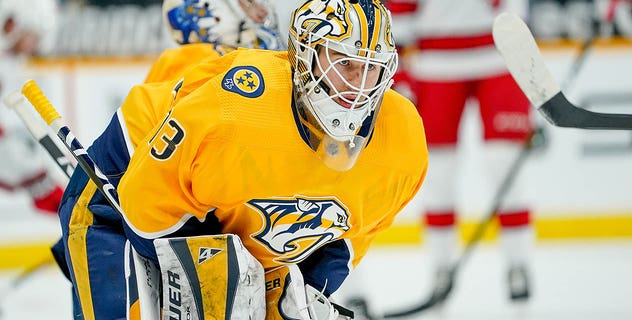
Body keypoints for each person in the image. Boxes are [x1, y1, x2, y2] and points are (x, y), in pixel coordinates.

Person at [55, 0, 428, 318]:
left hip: (214, 219)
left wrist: (295, 291)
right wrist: (211, 278)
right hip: (121, 203)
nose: (359, 85)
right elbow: (145, 203)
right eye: (344, 63)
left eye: (371, 67)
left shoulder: (403, 140)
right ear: (304, 59)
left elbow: (347, 237)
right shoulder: (235, 108)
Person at [386, 0, 534, 306]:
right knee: (438, 171)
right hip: (435, 63)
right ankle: (441, 268)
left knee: (503, 163)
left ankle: (518, 264)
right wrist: (399, 71)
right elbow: (399, 12)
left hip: (498, 56)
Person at [0, 0, 64, 215]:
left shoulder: (9, 62)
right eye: (31, 35)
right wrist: (37, 179)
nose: (33, 45)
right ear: (12, 24)